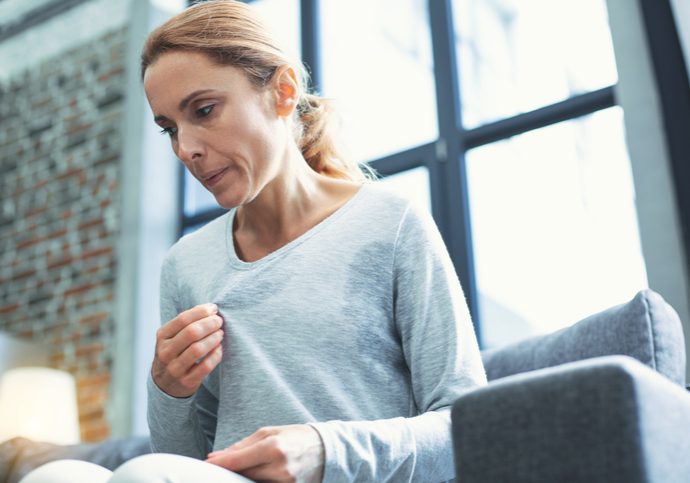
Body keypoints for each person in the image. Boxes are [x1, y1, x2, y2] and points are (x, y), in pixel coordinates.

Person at [20, 1, 486, 481]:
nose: (186, 149)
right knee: (49, 476)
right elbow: (180, 462)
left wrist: (325, 450)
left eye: (204, 111)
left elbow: (468, 429)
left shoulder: (390, 223)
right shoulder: (186, 264)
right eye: (170, 130)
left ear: (282, 92)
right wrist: (168, 390)